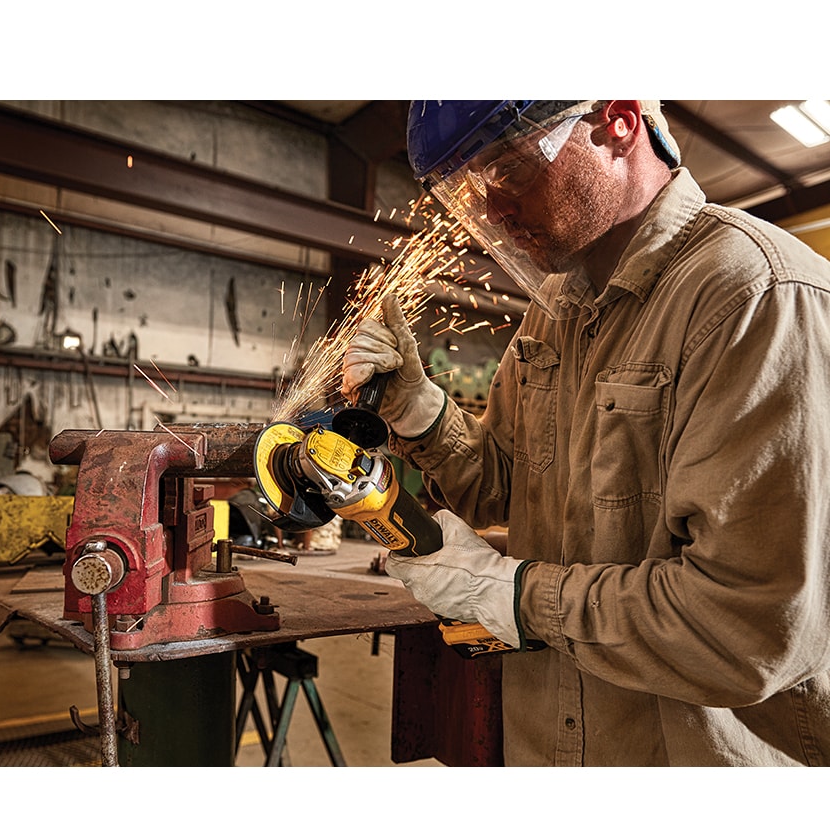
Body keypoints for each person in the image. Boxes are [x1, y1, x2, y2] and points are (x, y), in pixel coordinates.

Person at [342, 100, 830, 766]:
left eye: (508, 170)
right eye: (470, 190)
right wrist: (418, 411)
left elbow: (746, 629)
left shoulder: (753, 296)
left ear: (617, 120)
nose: (492, 211)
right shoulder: (555, 310)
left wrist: (516, 597)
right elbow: (504, 488)